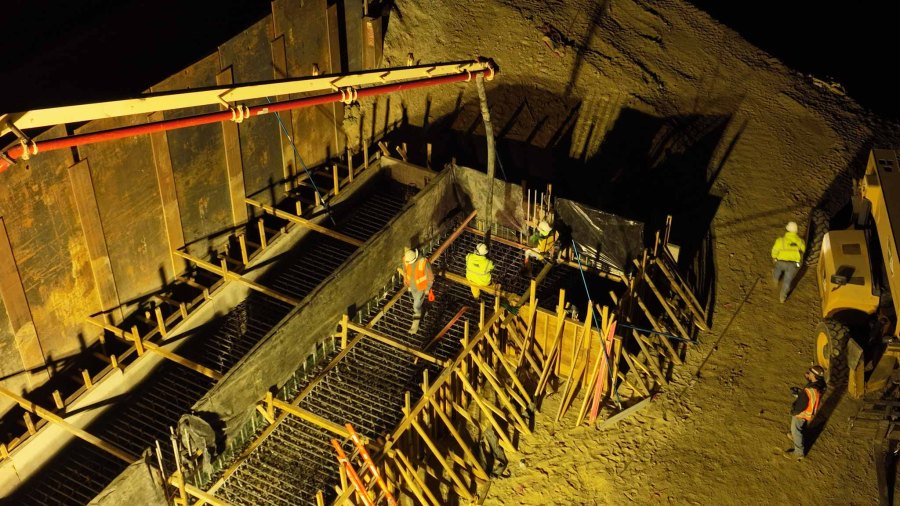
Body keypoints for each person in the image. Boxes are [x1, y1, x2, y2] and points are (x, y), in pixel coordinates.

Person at [786, 365, 826, 460]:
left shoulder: (809, 390)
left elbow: (802, 404)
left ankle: (799, 453)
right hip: (809, 412)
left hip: (802, 412)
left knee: (796, 429)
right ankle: (796, 437)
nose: (809, 373)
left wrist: (794, 411)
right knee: (800, 427)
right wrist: (800, 393)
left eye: (810, 372)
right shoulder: (820, 385)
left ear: (814, 376)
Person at [399, 248, 433, 334]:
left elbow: (430, 277)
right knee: (417, 303)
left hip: (421, 288)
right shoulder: (406, 259)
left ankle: (415, 327)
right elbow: (405, 271)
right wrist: (407, 283)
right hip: (412, 287)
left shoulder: (423, 263)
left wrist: (427, 289)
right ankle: (424, 311)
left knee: (416, 306)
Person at [771, 221, 806, 303]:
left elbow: (774, 251)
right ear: (796, 231)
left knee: (777, 271)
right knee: (787, 281)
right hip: (793, 265)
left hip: (780, 262)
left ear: (787, 230)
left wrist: (774, 257)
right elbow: (803, 250)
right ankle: (782, 298)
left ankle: (775, 280)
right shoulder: (800, 241)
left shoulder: (780, 241)